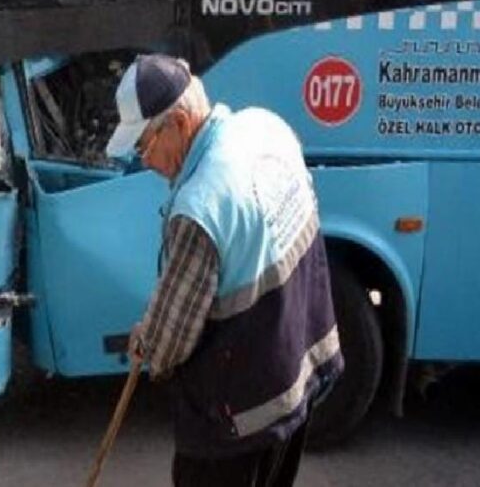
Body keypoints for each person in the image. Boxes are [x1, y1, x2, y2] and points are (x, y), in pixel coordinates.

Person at [105, 54, 343, 487]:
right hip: (295, 378)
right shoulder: (263, 128)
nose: (143, 161)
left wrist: (146, 340)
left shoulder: (200, 209)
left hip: (238, 419)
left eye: (143, 145)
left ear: (177, 122)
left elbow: (166, 347)